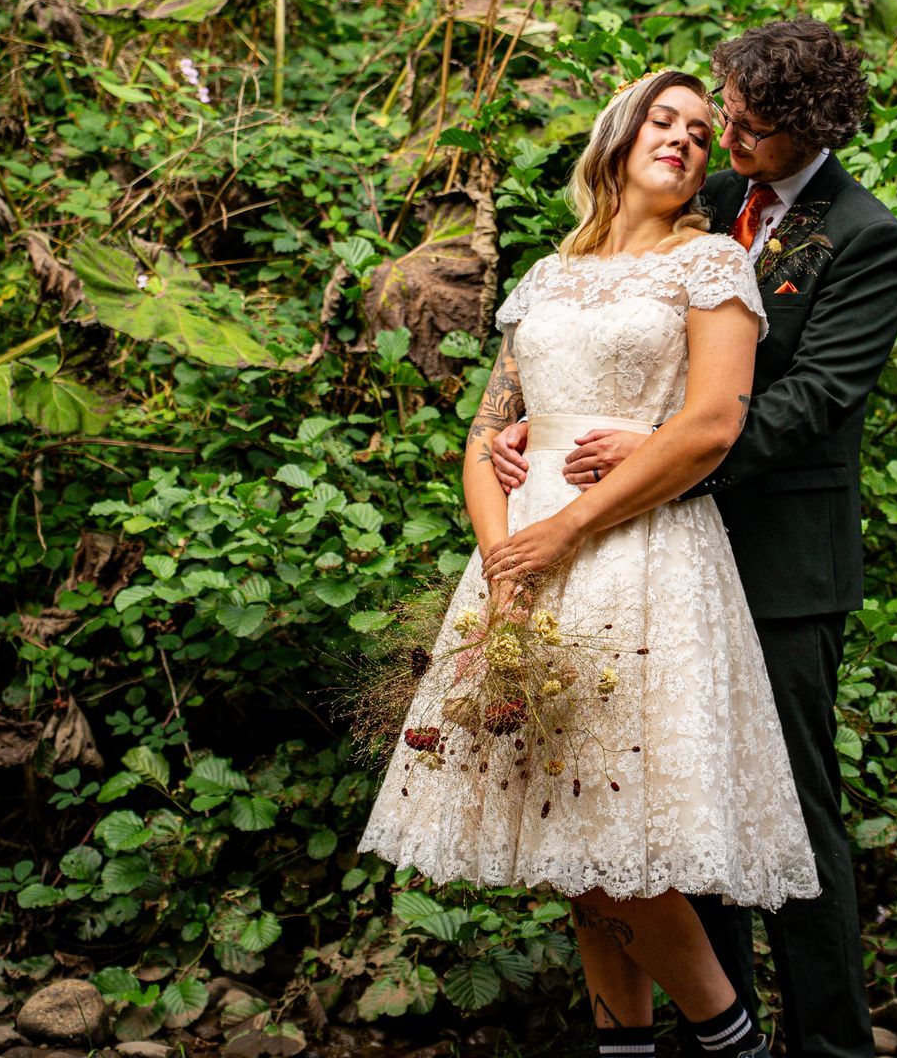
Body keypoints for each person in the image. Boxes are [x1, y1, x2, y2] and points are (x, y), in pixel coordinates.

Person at [359, 70, 820, 1058]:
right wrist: (505, 560)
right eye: (665, 119)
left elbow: (709, 426)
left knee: (615, 839)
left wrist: (568, 529)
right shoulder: (542, 277)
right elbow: (487, 432)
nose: (686, 140)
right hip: (524, 560)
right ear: (618, 136)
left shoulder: (709, 264)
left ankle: (733, 1038)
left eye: (703, 132)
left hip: (641, 553)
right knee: (564, 839)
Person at [491, 21, 897, 1058]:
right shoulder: (712, 198)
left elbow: (816, 397)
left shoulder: (865, 234)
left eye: (751, 128)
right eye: (723, 111)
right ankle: (715, 1033)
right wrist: (533, 417)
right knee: (676, 808)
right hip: (645, 552)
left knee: (794, 815)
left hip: (779, 562)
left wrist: (668, 444)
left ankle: (828, 1048)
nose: (725, 136)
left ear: (808, 130)